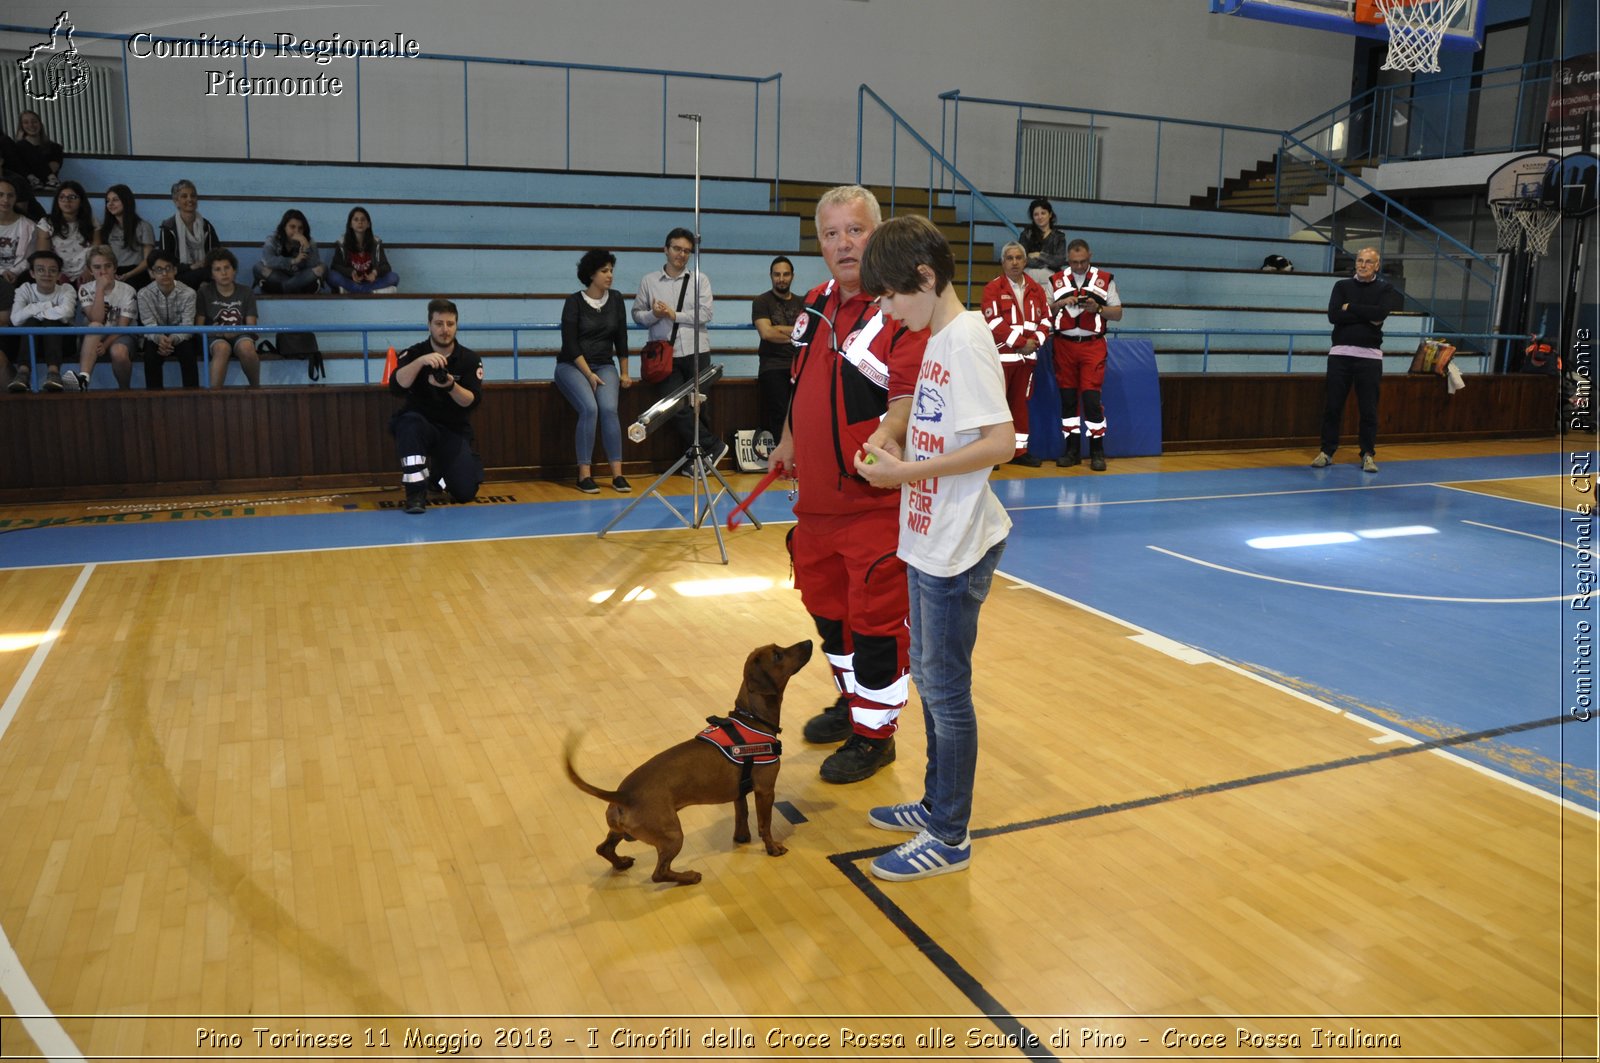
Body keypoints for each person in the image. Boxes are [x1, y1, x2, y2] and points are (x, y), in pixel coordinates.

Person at [854, 213, 1013, 881]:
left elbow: (1000, 443)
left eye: (891, 296)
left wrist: (904, 475)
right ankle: (934, 802)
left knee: (947, 691)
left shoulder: (968, 340)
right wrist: (896, 444)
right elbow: (938, 427)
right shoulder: (938, 338)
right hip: (928, 536)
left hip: (956, 546)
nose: (887, 310)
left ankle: (950, 833)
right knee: (932, 680)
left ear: (924, 278)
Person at [768, 185, 928, 784]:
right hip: (815, 506)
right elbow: (800, 384)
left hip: (873, 505)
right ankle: (853, 700)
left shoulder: (899, 309)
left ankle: (875, 737)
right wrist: (787, 439)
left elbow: (908, 401)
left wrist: (891, 437)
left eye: (855, 230)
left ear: (877, 234)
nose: (843, 244)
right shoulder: (812, 304)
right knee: (829, 614)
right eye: (831, 233)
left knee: (875, 621)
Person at [632, 227, 726, 469]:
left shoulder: (699, 279)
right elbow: (637, 315)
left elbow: (706, 314)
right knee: (674, 407)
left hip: (697, 350)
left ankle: (697, 462)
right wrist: (654, 314)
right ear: (665, 250)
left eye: (686, 251)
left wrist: (674, 315)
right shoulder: (649, 281)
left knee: (700, 407)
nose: (681, 254)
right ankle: (713, 446)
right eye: (677, 249)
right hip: (665, 354)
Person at [389, 298, 484, 514]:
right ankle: (415, 494)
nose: (445, 330)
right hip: (419, 426)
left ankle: (438, 478)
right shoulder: (413, 353)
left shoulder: (469, 359)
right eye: (439, 324)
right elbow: (396, 387)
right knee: (408, 423)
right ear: (429, 325)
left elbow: (472, 401)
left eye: (450, 324)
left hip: (453, 430)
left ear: (456, 325)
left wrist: (450, 385)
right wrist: (421, 362)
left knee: (465, 492)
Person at [1312, 246, 1401, 474]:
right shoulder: (1341, 286)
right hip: (1340, 355)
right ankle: (1327, 451)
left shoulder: (1385, 288)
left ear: (1377, 266)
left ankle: (1367, 454)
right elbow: (1334, 316)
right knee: (1333, 406)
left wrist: (1350, 308)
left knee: (1368, 409)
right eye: (1360, 260)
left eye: (1368, 262)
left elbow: (1380, 314)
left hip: (1369, 358)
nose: (1362, 265)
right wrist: (1367, 314)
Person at [557, 248, 632, 494]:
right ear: (591, 274)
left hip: (604, 364)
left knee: (609, 409)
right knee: (590, 408)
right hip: (572, 365)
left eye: (611, 270)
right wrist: (588, 374)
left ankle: (617, 475)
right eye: (604, 271)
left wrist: (624, 372)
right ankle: (584, 475)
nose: (610, 275)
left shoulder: (617, 298)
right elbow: (570, 343)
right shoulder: (573, 302)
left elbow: (621, 337)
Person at [1048, 237, 1122, 472]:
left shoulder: (1105, 279)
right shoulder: (1056, 280)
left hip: (1092, 346)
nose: (1078, 266)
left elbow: (1118, 313)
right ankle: (1071, 450)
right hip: (1063, 346)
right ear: (1068, 260)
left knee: (1091, 401)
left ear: (1090, 255)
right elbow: (1044, 310)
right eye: (1073, 262)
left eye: (1082, 261)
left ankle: (1097, 451)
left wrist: (1098, 308)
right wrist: (1060, 304)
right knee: (1068, 401)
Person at [981, 241, 1050, 466]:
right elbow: (994, 322)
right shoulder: (993, 288)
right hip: (1002, 360)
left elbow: (1046, 320)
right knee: (996, 407)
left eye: (1018, 258)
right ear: (1003, 262)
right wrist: (1020, 343)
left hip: (1027, 360)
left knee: (1020, 406)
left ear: (1025, 261)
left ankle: (1018, 453)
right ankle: (994, 454)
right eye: (1009, 258)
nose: (1014, 262)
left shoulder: (1036, 289)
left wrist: (1034, 343)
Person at [750, 255, 801, 447]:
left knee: (801, 413)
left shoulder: (803, 302)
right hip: (773, 367)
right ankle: (783, 463)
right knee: (780, 414)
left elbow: (809, 333)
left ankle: (800, 459)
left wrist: (779, 328)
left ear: (792, 276)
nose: (781, 278)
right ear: (771, 276)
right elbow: (767, 333)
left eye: (786, 274)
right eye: (777, 274)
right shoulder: (761, 301)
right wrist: (795, 333)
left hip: (799, 367)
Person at [9, 249, 77, 392]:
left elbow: (67, 314)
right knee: (31, 323)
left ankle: (54, 373)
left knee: (49, 322)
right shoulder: (25, 289)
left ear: (59, 274)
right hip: (29, 342)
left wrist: (32, 310)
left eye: (52, 270)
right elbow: (15, 319)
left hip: (62, 343)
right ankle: (23, 373)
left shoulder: (66, 289)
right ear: (32, 273)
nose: (47, 274)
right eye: (40, 270)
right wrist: (46, 305)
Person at [74, 244, 137, 390]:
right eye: (97, 267)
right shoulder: (85, 289)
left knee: (118, 352)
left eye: (107, 266)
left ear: (115, 268)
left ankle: (124, 389)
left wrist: (106, 344)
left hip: (121, 334)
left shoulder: (128, 290)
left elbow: (123, 326)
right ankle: (83, 379)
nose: (103, 272)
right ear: (90, 270)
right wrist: (100, 289)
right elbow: (96, 319)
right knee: (95, 326)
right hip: (94, 335)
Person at [195, 247, 260, 388]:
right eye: (217, 269)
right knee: (222, 348)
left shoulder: (246, 291)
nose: (223, 273)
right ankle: (215, 397)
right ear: (211, 274)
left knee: (247, 347)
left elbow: (252, 327)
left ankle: (256, 389)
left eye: (227, 267)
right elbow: (198, 327)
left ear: (234, 270)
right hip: (214, 336)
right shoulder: (204, 292)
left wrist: (236, 331)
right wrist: (215, 331)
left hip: (240, 334)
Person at [135, 249, 200, 390]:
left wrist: (173, 339)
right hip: (156, 337)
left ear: (175, 270)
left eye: (168, 268)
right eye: (159, 269)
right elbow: (149, 325)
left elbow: (187, 326)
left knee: (189, 353)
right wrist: (160, 339)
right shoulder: (143, 294)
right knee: (150, 356)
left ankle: (193, 398)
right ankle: (155, 399)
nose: (164, 274)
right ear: (151, 273)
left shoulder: (189, 293)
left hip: (181, 336)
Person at [0, 176, 39, 390]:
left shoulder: (28, 225)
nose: (5, 200)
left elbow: (29, 258)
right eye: (1, 195)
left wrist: (13, 271)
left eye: (10, 195)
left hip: (18, 278)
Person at [156, 180, 221, 290]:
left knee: (216, 272)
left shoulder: (207, 226)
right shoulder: (168, 228)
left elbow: (216, 253)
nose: (190, 199)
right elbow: (164, 262)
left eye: (193, 196)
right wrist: (191, 266)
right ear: (176, 201)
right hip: (178, 275)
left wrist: (204, 264)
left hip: (204, 272)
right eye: (184, 196)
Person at [34, 179, 95, 287]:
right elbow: (43, 255)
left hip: (87, 272)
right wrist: (56, 273)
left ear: (81, 201)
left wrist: (89, 270)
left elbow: (97, 250)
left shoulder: (92, 222)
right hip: (57, 273)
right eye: (62, 197)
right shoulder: (46, 223)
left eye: (72, 197)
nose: (66, 201)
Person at [328, 206, 399, 294]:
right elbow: (335, 266)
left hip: (371, 282)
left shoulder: (376, 243)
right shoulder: (342, 243)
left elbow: (386, 266)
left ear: (368, 224)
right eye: (356, 219)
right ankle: (372, 291)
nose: (360, 222)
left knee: (393, 277)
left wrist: (375, 273)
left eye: (363, 219)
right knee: (331, 276)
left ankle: (352, 291)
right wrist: (351, 272)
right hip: (352, 281)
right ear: (350, 224)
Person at [253, 209, 326, 294]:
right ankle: (297, 288)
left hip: (300, 276)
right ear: (284, 227)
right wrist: (293, 261)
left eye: (300, 228)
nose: (297, 231)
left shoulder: (309, 242)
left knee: (322, 267)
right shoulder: (273, 240)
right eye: (292, 227)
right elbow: (269, 261)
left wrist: (306, 246)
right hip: (279, 275)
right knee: (258, 267)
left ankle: (283, 288)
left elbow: (312, 266)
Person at [97, 184, 155, 289]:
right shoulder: (104, 229)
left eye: (115, 200)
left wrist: (128, 275)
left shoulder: (144, 226)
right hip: (112, 272)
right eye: (108, 201)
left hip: (136, 273)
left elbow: (148, 260)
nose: (110, 204)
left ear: (126, 201)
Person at [1018, 197, 1065, 287]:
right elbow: (1022, 258)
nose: (1040, 217)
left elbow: (1059, 261)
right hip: (1029, 275)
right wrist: (1046, 262)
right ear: (1032, 217)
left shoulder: (1059, 236)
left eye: (1043, 213)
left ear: (1050, 214)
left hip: (1051, 277)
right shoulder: (1026, 234)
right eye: (1036, 214)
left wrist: (1039, 255)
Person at [11, 111, 62, 191]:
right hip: (27, 188)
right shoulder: (18, 148)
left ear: (40, 124)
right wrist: (21, 143)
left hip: (49, 186)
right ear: (21, 127)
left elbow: (52, 169)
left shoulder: (54, 147)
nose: (31, 125)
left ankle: (50, 180)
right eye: (26, 122)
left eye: (34, 121)